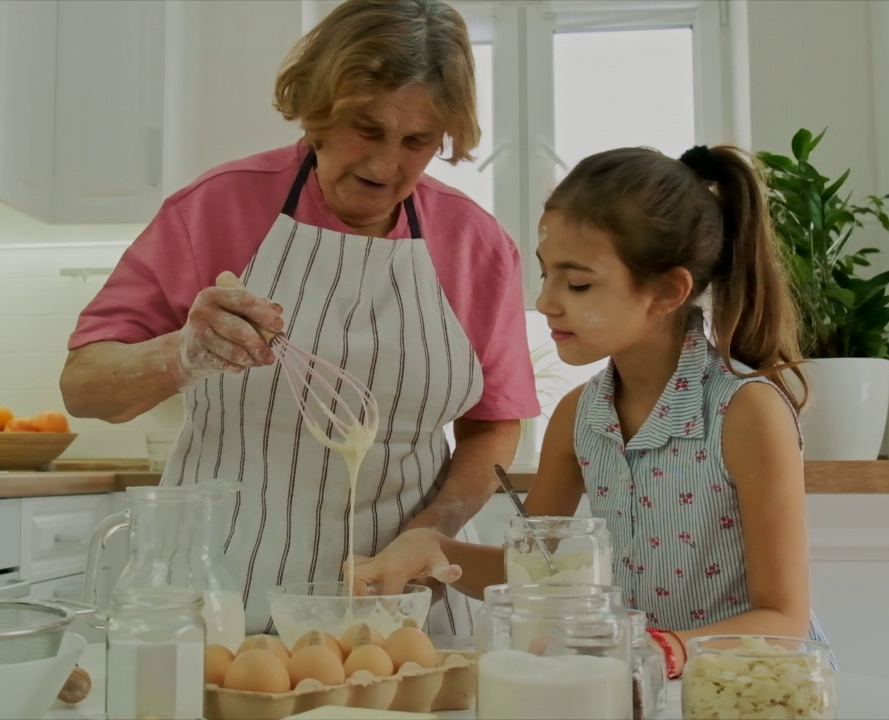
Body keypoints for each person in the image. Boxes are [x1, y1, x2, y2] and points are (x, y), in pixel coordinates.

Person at [59, 0, 539, 636]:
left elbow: (494, 427)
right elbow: (85, 386)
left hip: (404, 608)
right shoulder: (214, 209)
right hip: (223, 594)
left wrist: (431, 533)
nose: (385, 166)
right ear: (317, 109)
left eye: (417, 141)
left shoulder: (475, 246)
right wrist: (179, 354)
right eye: (365, 129)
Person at [350, 144, 830, 673]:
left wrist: (648, 650)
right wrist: (433, 550)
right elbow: (531, 572)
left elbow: (782, 620)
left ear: (669, 291)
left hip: (750, 693)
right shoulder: (579, 416)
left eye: (578, 283)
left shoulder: (746, 413)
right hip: (639, 691)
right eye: (546, 274)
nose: (548, 301)